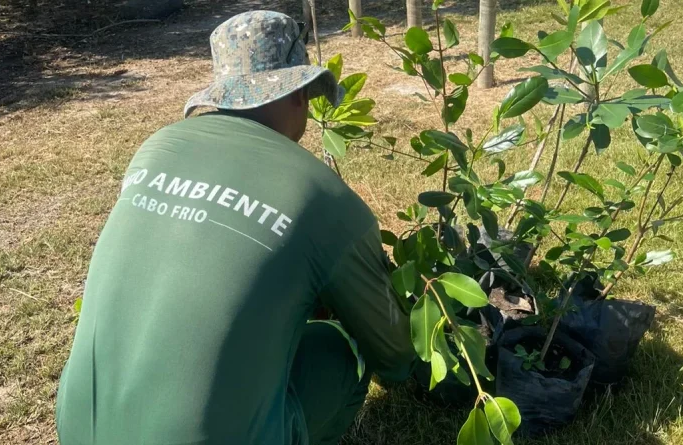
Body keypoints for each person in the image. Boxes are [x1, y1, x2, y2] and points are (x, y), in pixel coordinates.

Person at [55, 10, 415, 445]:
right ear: (299, 93)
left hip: (76, 428)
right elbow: (395, 358)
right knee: (338, 353)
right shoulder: (326, 197)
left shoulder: (156, 148)